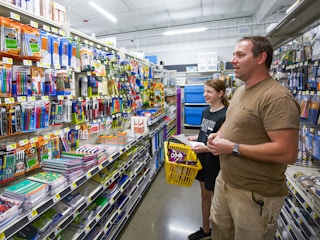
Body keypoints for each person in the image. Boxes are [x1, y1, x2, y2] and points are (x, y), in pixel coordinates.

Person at [207, 36, 300, 240]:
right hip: (226, 181)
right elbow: (234, 120)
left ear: (261, 58)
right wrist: (219, 134)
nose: (233, 60)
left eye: (240, 55)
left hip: (255, 194)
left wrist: (233, 147)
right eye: (233, 54)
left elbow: (287, 152)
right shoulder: (241, 90)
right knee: (220, 231)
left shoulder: (277, 97)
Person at [187, 79, 229, 240]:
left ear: (220, 93)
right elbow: (204, 134)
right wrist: (193, 138)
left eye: (209, 92)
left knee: (218, 201)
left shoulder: (226, 114)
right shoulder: (206, 112)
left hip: (216, 163)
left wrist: (204, 147)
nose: (205, 94)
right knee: (204, 196)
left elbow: (221, 142)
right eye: (204, 91)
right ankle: (205, 229)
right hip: (202, 160)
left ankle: (218, 233)